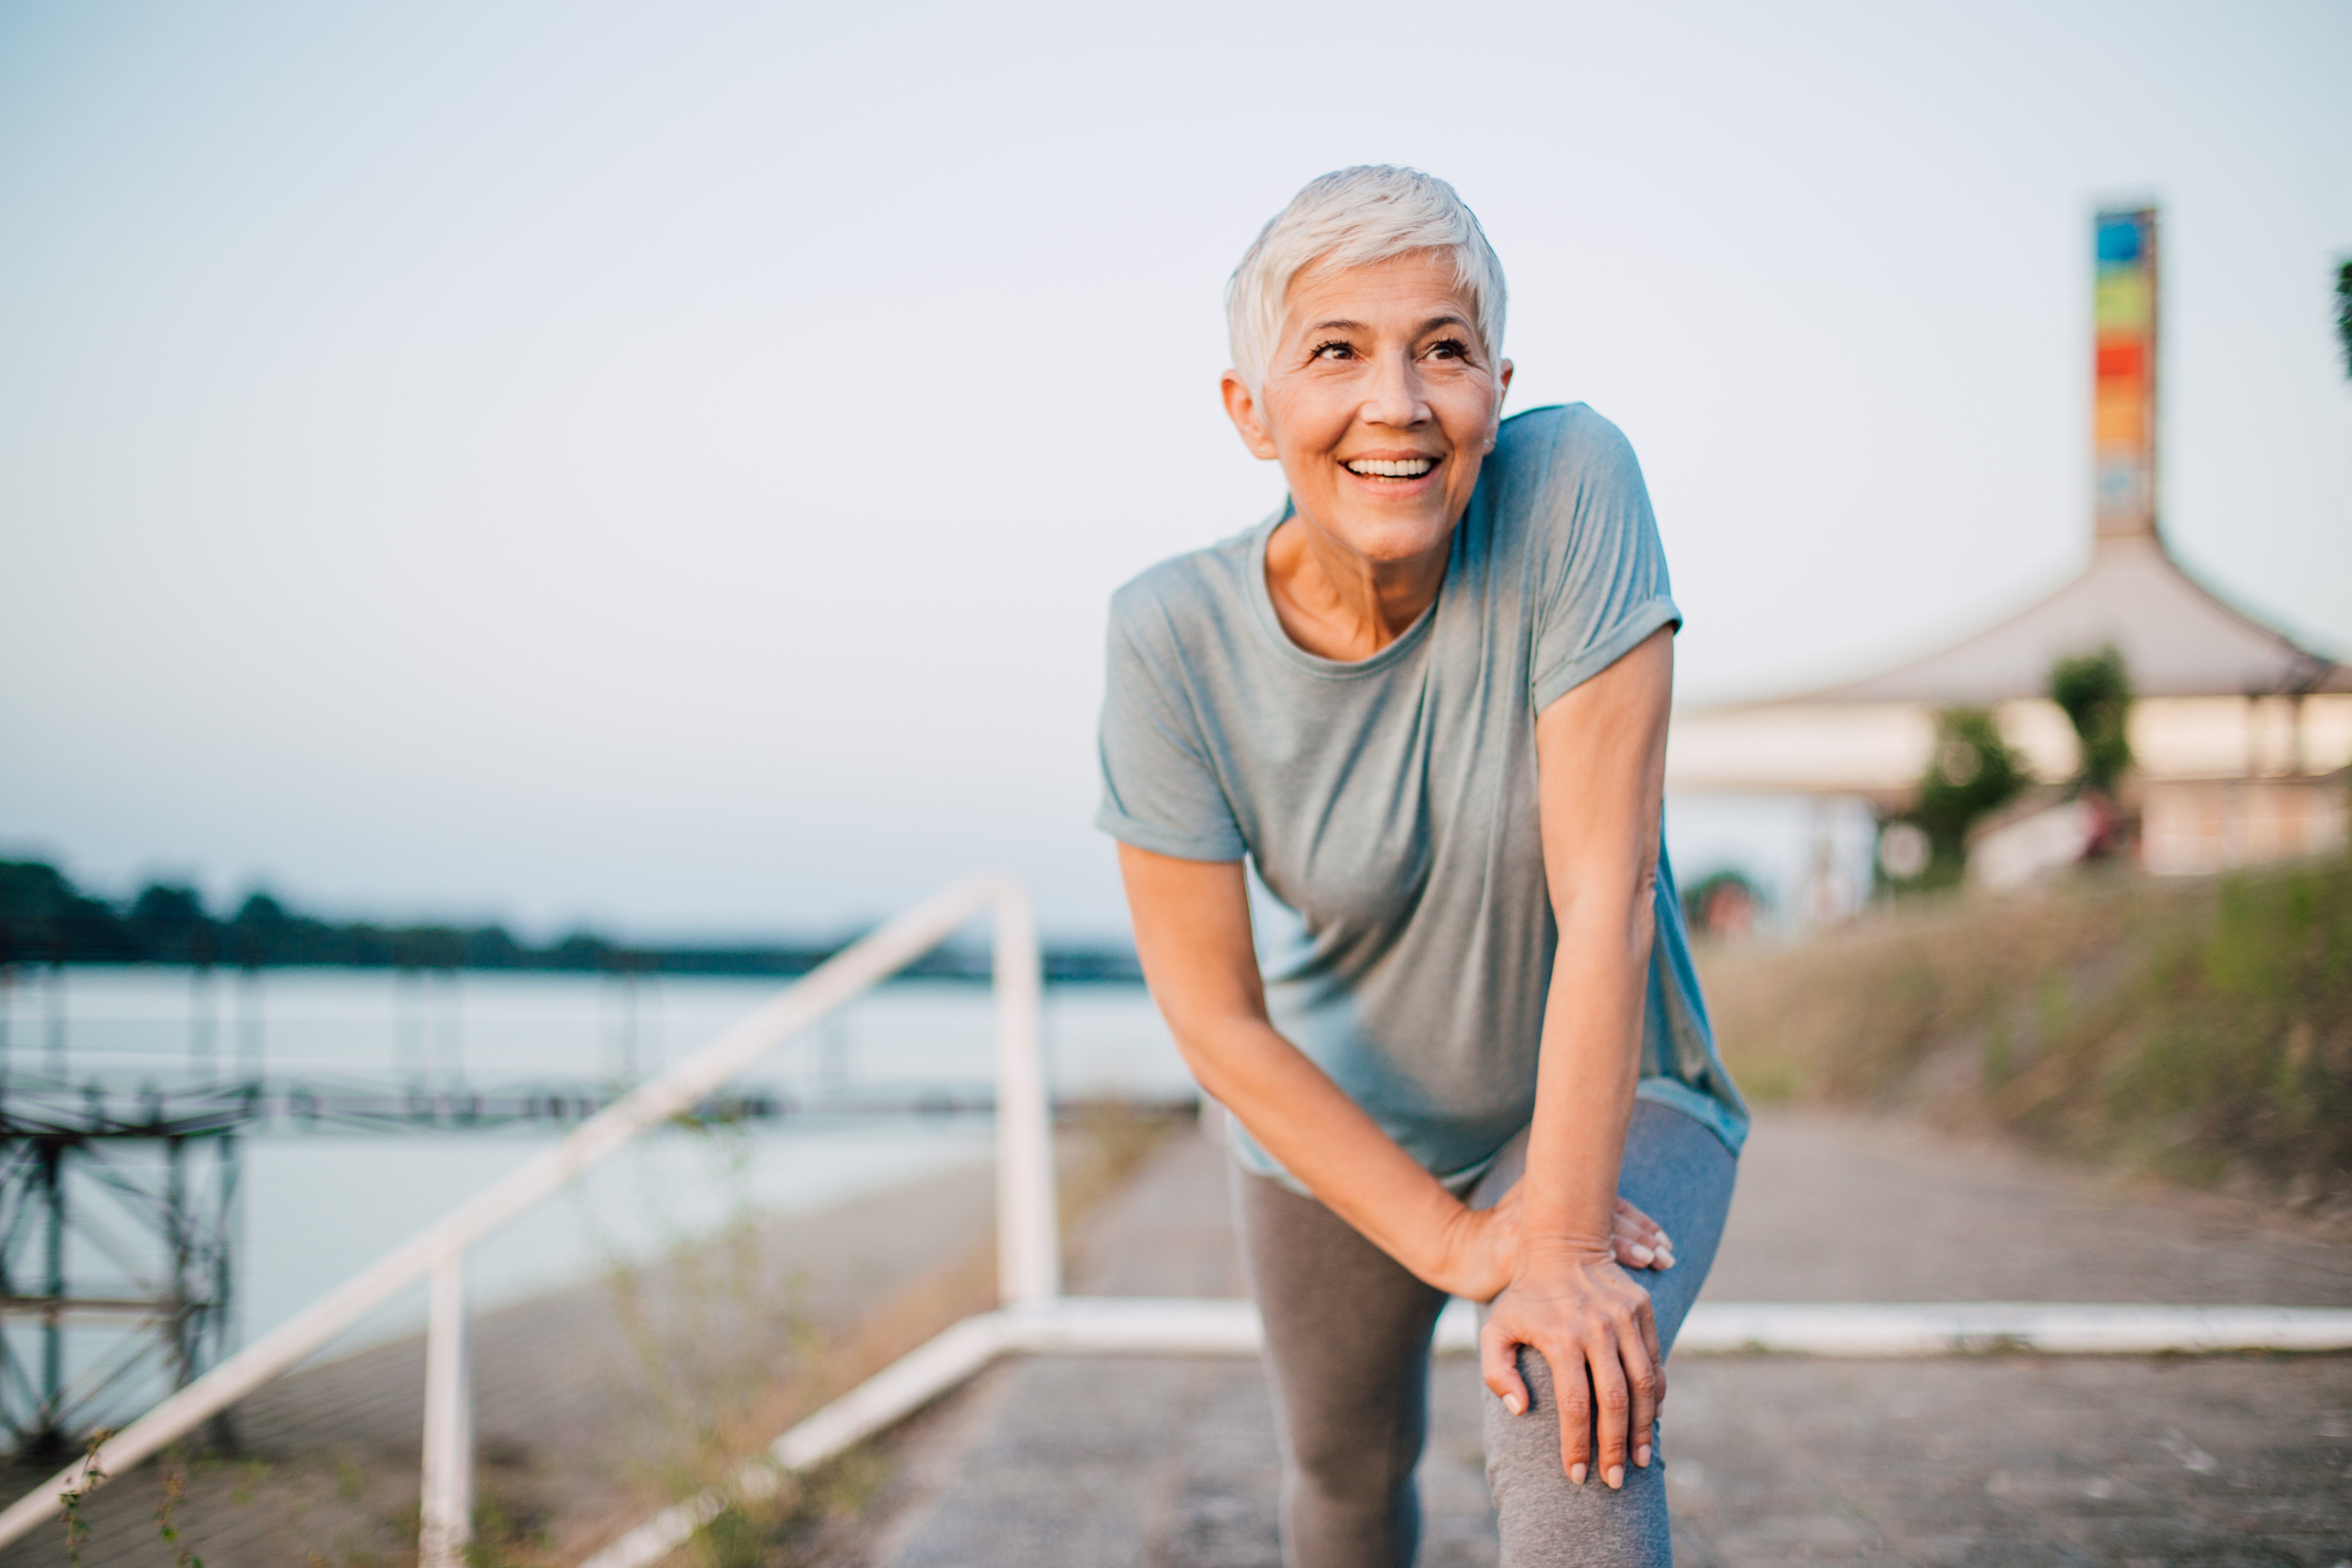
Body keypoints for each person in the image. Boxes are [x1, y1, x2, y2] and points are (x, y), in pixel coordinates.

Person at [1095, 166, 1747, 1568]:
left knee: (1567, 1408)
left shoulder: (1572, 484)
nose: (1396, 400)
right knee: (1343, 1475)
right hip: (1343, 1118)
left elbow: (1606, 894)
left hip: (1617, 1086)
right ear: (1250, 411)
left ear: (1496, 390)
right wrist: (1461, 1246)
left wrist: (1559, 1244)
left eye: (1441, 349)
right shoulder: (1169, 639)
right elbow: (1214, 1016)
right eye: (1336, 351)